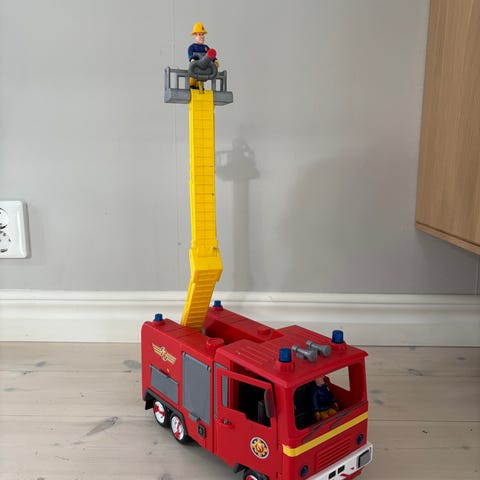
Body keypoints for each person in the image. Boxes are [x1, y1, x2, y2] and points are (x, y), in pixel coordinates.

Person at [188, 22, 218, 88]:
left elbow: (210, 55)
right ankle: (192, 86)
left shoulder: (206, 47)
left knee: (201, 79)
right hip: (195, 67)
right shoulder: (192, 47)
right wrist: (192, 59)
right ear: (195, 35)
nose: (202, 37)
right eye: (199, 34)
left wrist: (215, 60)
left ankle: (200, 86)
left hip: (204, 70)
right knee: (192, 79)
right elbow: (190, 54)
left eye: (203, 34)